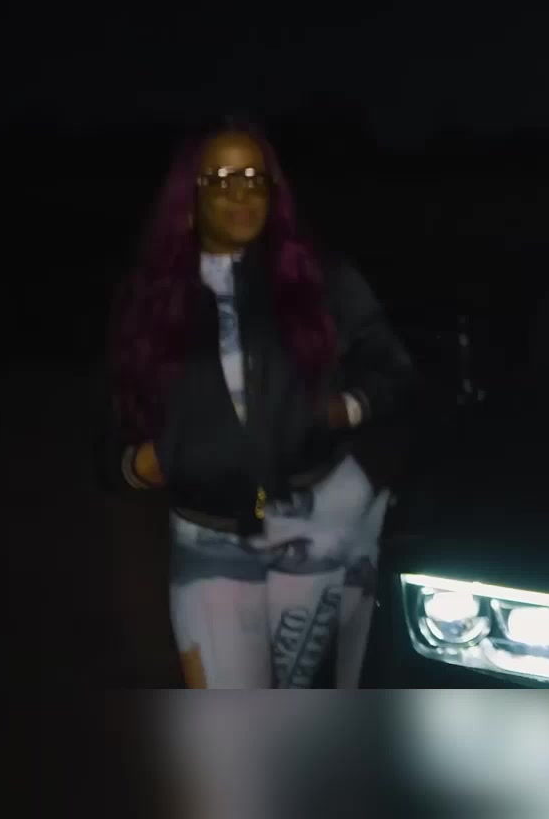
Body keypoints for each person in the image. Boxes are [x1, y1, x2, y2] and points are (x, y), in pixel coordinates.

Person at [99, 120, 416, 688]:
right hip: (209, 537)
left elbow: (393, 371)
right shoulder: (150, 302)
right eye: (222, 178)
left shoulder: (322, 280)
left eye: (254, 176)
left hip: (319, 526)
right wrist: (143, 464)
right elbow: (110, 428)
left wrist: (342, 410)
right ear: (189, 198)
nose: (242, 191)